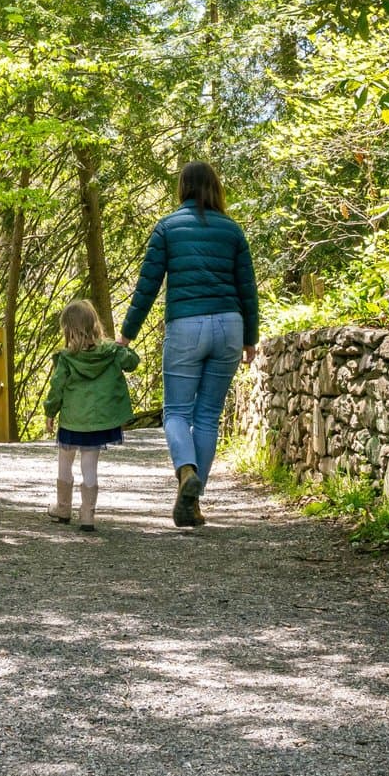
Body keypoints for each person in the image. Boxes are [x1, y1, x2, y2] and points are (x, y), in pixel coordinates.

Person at [119, 159, 258, 529]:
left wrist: (127, 334)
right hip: (229, 325)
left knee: (177, 412)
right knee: (208, 416)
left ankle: (186, 475)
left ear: (183, 187)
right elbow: (248, 290)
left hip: (186, 326)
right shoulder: (232, 231)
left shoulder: (167, 228)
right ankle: (193, 505)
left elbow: (147, 286)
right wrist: (250, 339)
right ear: (216, 188)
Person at [44, 298, 138, 533]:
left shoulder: (66, 358)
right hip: (97, 423)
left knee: (65, 460)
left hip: (72, 421)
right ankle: (88, 515)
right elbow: (132, 362)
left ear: (68, 329)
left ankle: (63, 508)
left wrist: (49, 412)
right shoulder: (111, 352)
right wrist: (122, 346)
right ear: (94, 324)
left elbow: (57, 388)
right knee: (90, 465)